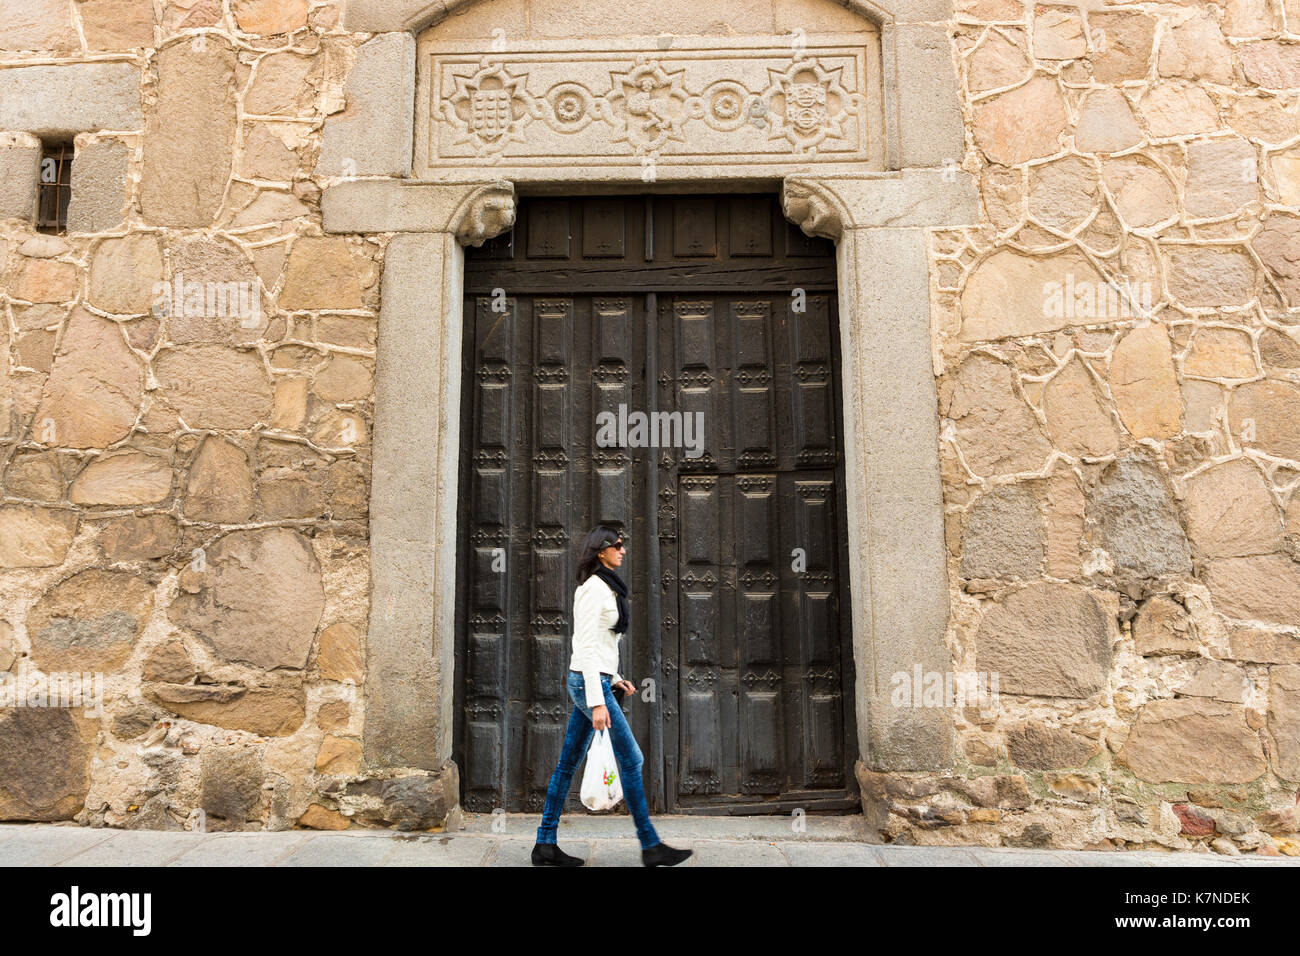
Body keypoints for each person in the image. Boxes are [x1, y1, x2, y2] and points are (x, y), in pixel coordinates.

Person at [532, 526, 693, 867]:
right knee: (632, 759)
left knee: (566, 764)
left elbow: (603, 646)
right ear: (600, 550)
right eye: (617, 545)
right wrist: (597, 701)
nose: (623, 550)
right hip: (588, 685)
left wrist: (616, 679)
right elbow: (585, 647)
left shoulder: (609, 587)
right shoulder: (592, 589)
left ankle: (544, 844)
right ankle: (650, 846)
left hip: (597, 681)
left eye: (623, 545)